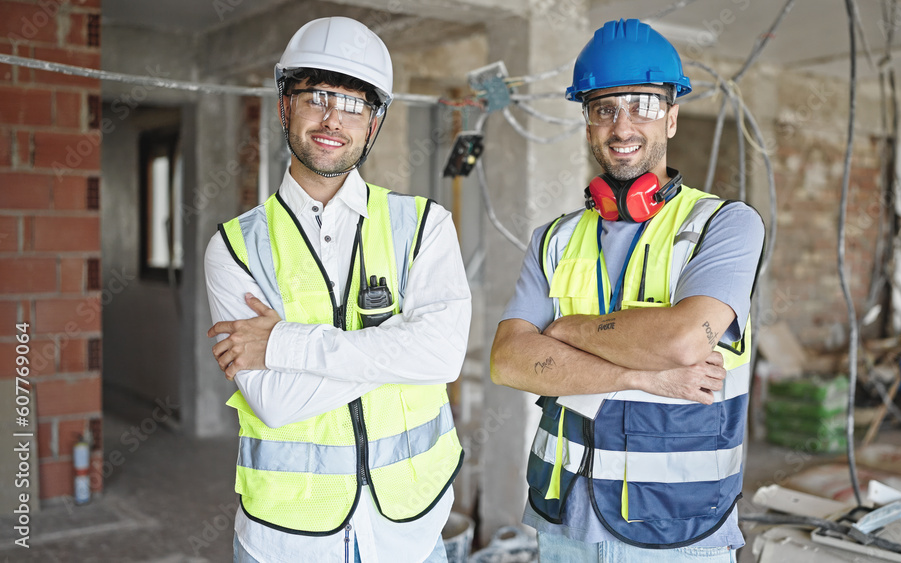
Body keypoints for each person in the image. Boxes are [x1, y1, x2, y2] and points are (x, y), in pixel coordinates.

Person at [490, 18, 764, 562]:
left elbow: (684, 343)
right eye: (604, 109)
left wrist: (565, 331)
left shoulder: (725, 225)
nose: (623, 126)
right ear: (588, 123)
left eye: (643, 105)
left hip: (680, 523)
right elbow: (508, 362)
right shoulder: (554, 238)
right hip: (563, 517)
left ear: (673, 116)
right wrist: (645, 375)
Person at [204, 17, 470, 563]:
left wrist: (282, 344)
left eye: (353, 104)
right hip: (284, 540)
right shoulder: (234, 248)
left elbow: (443, 356)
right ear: (285, 106)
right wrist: (398, 351)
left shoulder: (424, 226)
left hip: (410, 537)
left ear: (373, 123)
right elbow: (274, 402)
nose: (332, 119)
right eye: (317, 96)